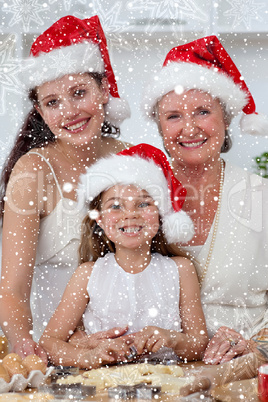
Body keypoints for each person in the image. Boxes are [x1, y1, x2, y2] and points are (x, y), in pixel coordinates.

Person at [0, 15, 131, 362]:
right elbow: (11, 290)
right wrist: (28, 347)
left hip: (118, 344)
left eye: (78, 93)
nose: (69, 112)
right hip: (54, 347)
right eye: (53, 102)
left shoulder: (128, 158)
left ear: (104, 91)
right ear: (40, 112)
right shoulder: (33, 172)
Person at [141, 35, 268, 364]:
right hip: (151, 377)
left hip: (244, 376)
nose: (189, 128)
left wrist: (256, 348)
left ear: (226, 119)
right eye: (173, 116)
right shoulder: (136, 198)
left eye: (202, 111)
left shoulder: (261, 198)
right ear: (158, 126)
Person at [39, 143, 208, 369]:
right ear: (99, 220)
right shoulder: (88, 274)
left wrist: (172, 339)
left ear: (160, 215)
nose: (130, 214)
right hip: (104, 386)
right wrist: (89, 357)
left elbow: (198, 344)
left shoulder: (180, 269)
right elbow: (49, 343)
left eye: (143, 204)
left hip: (169, 383)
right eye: (116, 206)